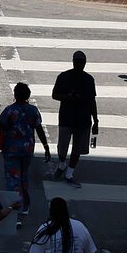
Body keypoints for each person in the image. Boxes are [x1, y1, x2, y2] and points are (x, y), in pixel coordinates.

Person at [0, 82, 50, 225]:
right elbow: (39, 129)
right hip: (27, 150)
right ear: (28, 95)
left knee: (13, 180)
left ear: (15, 95)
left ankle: (15, 213)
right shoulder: (33, 110)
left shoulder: (10, 111)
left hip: (11, 151)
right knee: (23, 178)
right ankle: (25, 206)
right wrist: (46, 147)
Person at [50, 51, 99, 184]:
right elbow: (54, 95)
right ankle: (62, 165)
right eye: (77, 61)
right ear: (73, 61)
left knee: (77, 149)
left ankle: (69, 173)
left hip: (83, 120)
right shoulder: (64, 76)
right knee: (62, 148)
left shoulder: (89, 79)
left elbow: (92, 101)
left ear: (84, 63)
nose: (79, 64)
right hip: (67, 118)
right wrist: (67, 97)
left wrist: (96, 120)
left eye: (81, 62)